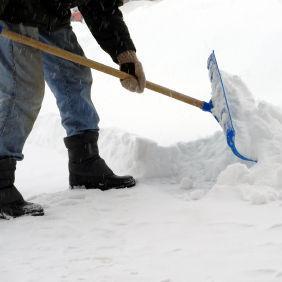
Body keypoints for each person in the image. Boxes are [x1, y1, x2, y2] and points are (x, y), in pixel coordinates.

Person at [0, 0, 146, 219]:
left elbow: (100, 5)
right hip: (12, 8)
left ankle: (85, 163)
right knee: (22, 89)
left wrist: (125, 52)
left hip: (49, 12)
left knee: (74, 76)